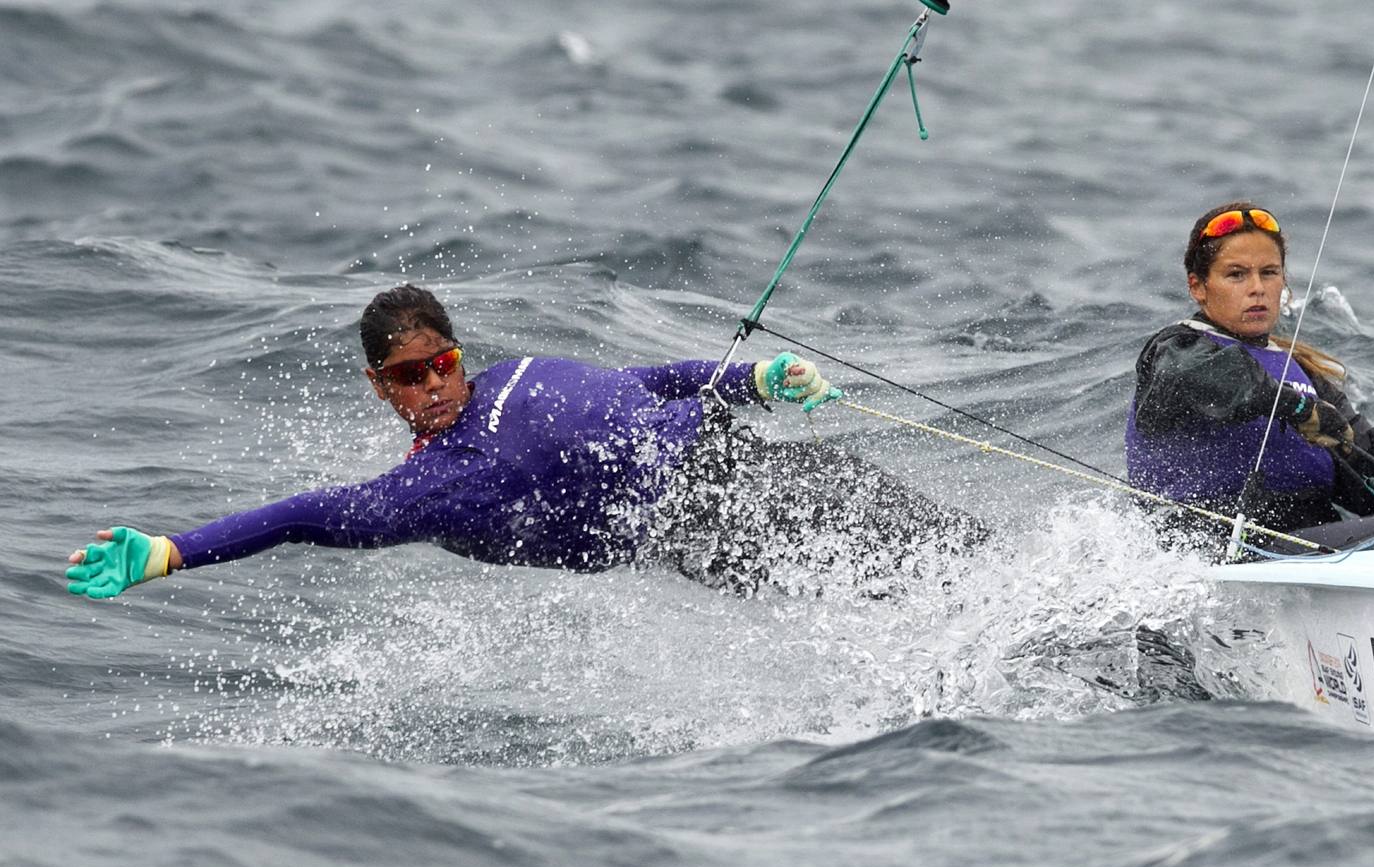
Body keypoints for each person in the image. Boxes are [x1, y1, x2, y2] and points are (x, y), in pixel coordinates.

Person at [67, 285, 983, 600]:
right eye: (406, 378)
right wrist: (174, 550)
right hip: (718, 529)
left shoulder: (516, 374)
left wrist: (756, 379)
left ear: (460, 354)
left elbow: (648, 382)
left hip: (753, 461)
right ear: (378, 388)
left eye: (441, 363)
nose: (431, 388)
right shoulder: (434, 490)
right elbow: (308, 516)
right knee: (933, 587)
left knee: (971, 554)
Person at [1125, 201, 1374, 549]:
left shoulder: (1301, 371)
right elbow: (1209, 377)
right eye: (1236, 274)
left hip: (1309, 542)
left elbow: (1364, 452)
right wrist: (1298, 409)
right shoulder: (1175, 349)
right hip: (1207, 549)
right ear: (1198, 287)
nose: (1257, 288)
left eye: (1269, 272)